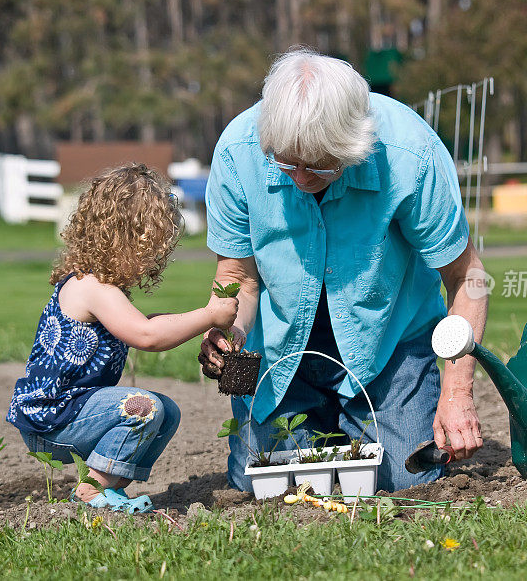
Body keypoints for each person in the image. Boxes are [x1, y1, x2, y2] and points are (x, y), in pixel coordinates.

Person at [200, 49, 488, 493]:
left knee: (405, 481)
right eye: (286, 161)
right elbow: (239, 276)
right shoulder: (240, 151)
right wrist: (228, 331)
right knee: (269, 486)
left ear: (356, 145)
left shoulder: (411, 153)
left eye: (318, 165)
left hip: (389, 345)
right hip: (280, 354)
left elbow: (468, 279)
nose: (299, 177)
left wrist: (457, 392)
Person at [6, 164, 238, 513]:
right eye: (146, 249)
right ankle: (89, 491)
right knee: (144, 407)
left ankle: (107, 489)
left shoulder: (102, 287)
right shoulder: (90, 286)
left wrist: (196, 322)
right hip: (53, 417)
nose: (150, 262)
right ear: (117, 237)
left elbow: (145, 324)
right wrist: (209, 315)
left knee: (168, 412)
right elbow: (146, 335)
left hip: (74, 411)